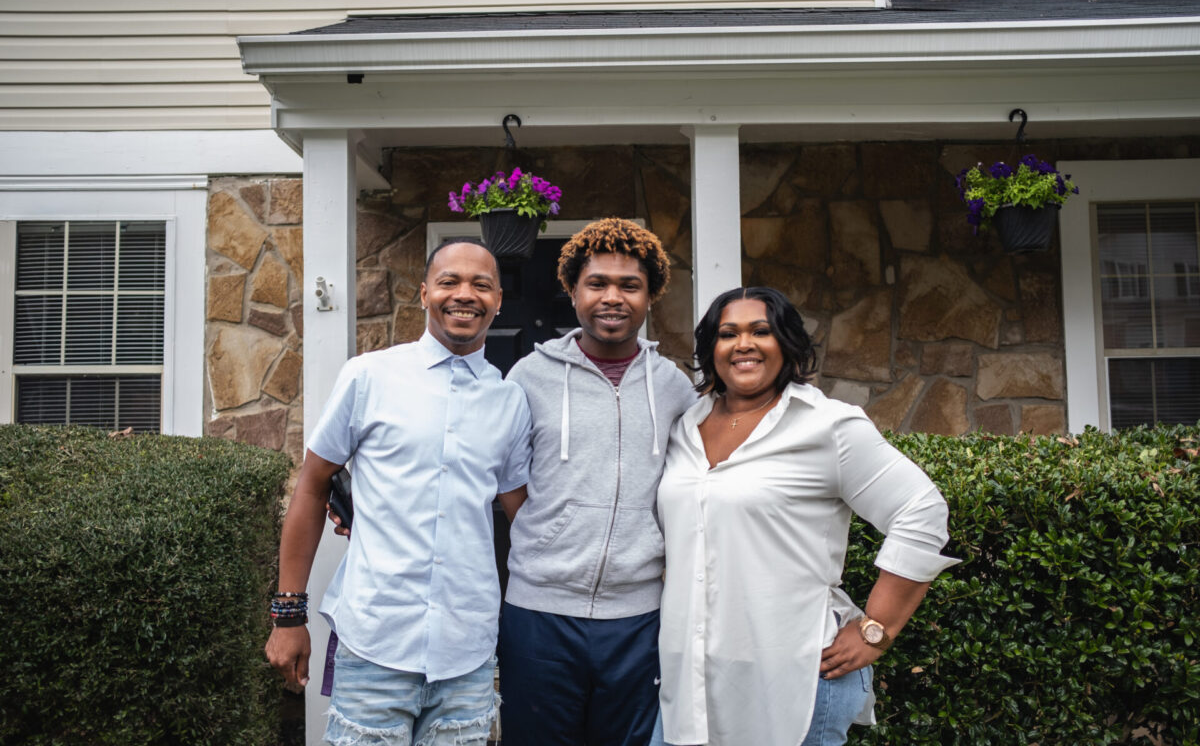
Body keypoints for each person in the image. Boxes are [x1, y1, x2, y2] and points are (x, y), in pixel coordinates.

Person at [653, 287, 959, 746]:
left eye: (762, 331)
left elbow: (922, 510)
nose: (744, 344)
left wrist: (878, 629)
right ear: (710, 350)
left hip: (796, 683)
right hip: (691, 686)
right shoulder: (684, 427)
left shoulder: (828, 426)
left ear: (788, 344)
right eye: (727, 333)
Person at [265, 239, 532, 745]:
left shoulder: (510, 401)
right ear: (425, 292)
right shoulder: (370, 376)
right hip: (374, 644)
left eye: (481, 284)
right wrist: (288, 614)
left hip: (467, 656)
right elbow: (312, 486)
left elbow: (524, 517)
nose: (464, 295)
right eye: (450, 281)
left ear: (498, 300)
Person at [497, 218, 697, 746]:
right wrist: (550, 534)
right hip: (538, 611)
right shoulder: (529, 378)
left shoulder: (674, 387)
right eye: (598, 283)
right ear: (572, 290)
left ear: (650, 295)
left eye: (629, 285)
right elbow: (509, 480)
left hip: (638, 617)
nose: (613, 297)